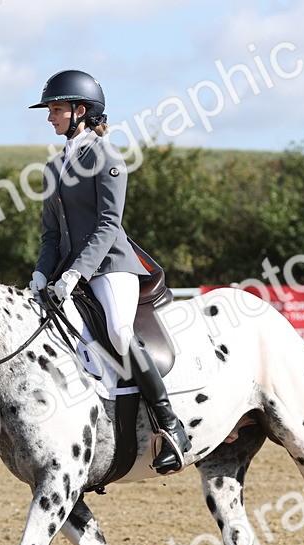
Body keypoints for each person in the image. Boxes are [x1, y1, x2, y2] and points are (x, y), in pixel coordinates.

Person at [27, 69, 191, 474]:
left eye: (56, 109)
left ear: (80, 111)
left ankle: (170, 423)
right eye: (50, 109)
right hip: (70, 273)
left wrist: (75, 273)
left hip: (111, 266)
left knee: (119, 331)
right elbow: (51, 235)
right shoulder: (53, 167)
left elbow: (107, 226)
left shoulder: (105, 157)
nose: (50, 117)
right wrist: (40, 275)